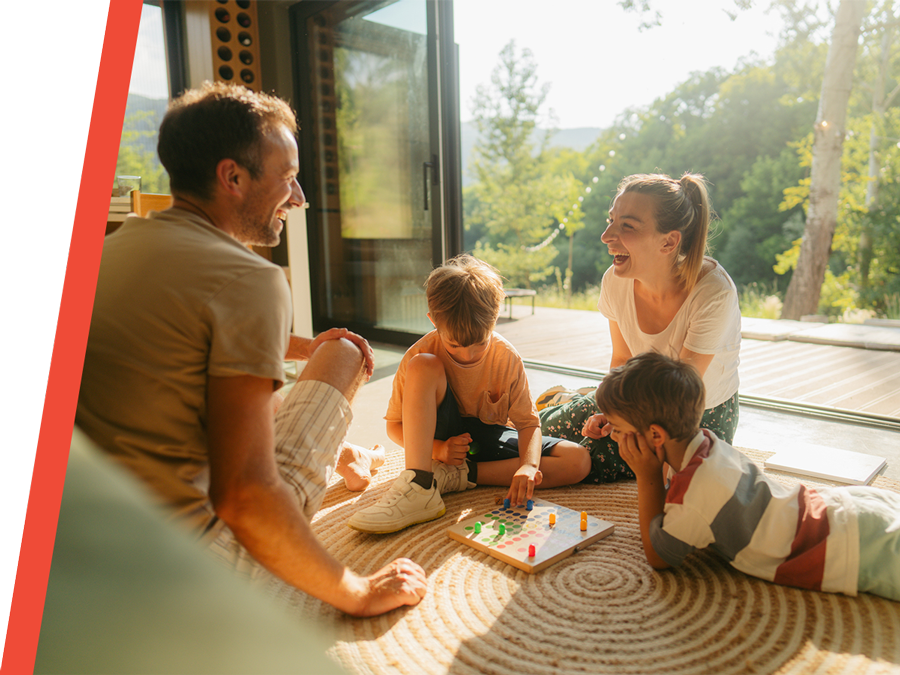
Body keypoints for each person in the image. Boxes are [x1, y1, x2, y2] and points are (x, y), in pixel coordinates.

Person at [29, 81, 426, 617]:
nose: (298, 197)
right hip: (174, 572)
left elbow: (185, 328)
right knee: (346, 355)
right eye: (288, 178)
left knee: (293, 371)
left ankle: (342, 452)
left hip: (59, 544)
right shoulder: (249, 280)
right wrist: (358, 592)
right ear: (232, 177)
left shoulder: (104, 253)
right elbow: (246, 498)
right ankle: (346, 463)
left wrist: (303, 345)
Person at [596, 351, 900, 601]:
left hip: (849, 546)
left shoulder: (696, 495)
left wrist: (647, 476)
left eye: (619, 431)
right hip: (850, 508)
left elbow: (659, 556)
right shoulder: (707, 443)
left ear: (655, 435)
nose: (615, 438)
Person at [347, 254, 591, 533]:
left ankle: (460, 477)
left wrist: (527, 466)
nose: (469, 354)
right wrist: (439, 449)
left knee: (578, 460)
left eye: (479, 343)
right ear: (433, 321)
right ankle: (420, 484)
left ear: (495, 318)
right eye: (454, 345)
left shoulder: (506, 357)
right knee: (424, 366)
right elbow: (394, 426)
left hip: (486, 438)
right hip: (438, 441)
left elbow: (527, 423)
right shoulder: (419, 355)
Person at [539, 172, 741, 484]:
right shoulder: (615, 280)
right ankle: (572, 400)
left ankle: (574, 398)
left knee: (585, 457)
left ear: (669, 241)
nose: (607, 235)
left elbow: (680, 396)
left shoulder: (714, 292)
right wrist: (608, 411)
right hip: (635, 397)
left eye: (627, 226)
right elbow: (621, 359)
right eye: (611, 221)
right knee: (541, 430)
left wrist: (620, 422)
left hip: (692, 413)